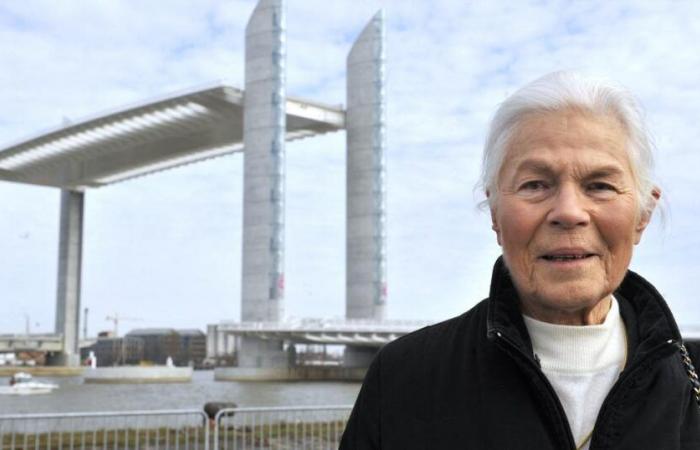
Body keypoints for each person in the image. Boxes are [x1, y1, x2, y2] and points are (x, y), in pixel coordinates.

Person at [339, 71, 700, 450]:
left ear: (643, 214)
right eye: (535, 185)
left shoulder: (689, 384)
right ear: (495, 212)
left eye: (600, 185)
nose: (569, 212)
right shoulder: (403, 378)